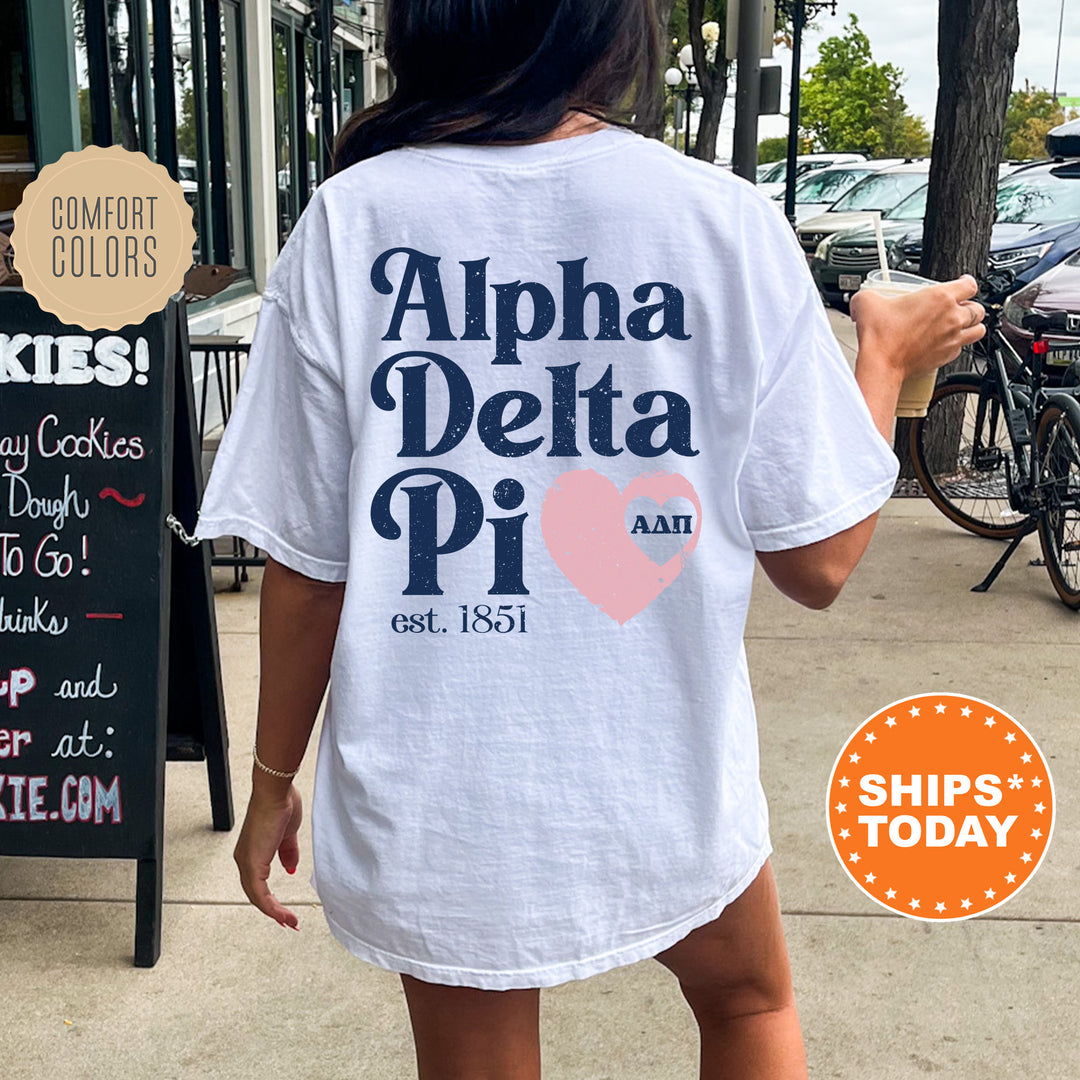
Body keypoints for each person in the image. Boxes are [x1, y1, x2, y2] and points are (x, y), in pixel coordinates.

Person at [194, 3, 986, 1077]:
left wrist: (272, 777)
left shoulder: (349, 221)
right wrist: (884, 362)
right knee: (749, 1005)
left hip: (442, 785)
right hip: (657, 767)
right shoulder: (719, 219)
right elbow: (821, 560)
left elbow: (309, 568)